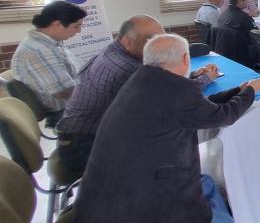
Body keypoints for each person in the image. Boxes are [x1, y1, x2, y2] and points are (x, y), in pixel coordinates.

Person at [73, 34, 260, 223]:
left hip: (102, 193)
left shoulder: (141, 79)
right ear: (185, 59)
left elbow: (198, 108)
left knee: (206, 183)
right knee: (208, 197)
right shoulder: (178, 91)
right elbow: (224, 116)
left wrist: (235, 91)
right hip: (140, 201)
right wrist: (250, 92)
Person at [55, 15, 218, 172]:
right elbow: (172, 97)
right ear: (127, 41)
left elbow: (161, 84)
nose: (160, 46)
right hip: (83, 147)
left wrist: (192, 75)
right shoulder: (128, 69)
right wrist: (205, 78)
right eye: (152, 41)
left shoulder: (113, 51)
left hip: (77, 136)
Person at [10, 1, 86, 122]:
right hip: (64, 112)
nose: (79, 31)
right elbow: (63, 91)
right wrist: (96, 93)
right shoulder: (40, 50)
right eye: (76, 26)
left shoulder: (48, 42)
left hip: (69, 105)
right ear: (57, 24)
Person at [216, 0, 257, 65]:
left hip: (224, 52)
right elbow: (255, 37)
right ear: (239, 1)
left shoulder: (223, 14)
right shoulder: (244, 18)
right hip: (241, 54)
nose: (248, 1)